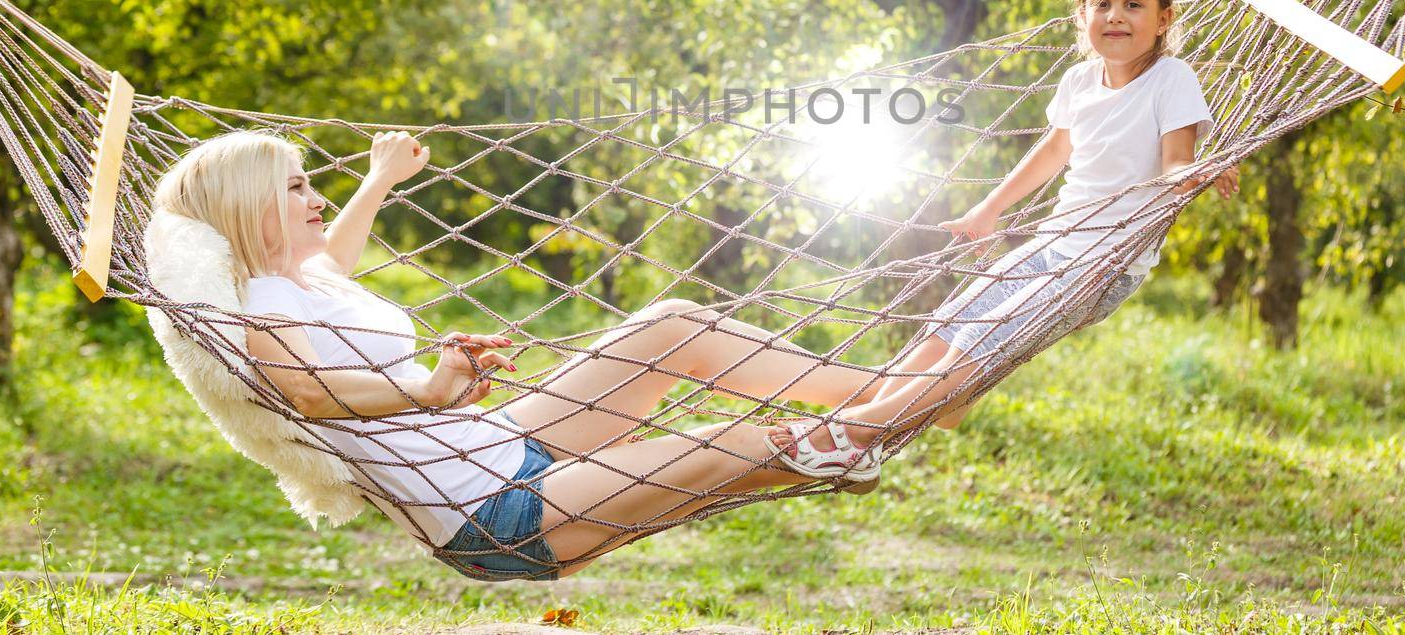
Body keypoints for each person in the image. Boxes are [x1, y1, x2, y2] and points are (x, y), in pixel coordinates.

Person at [149, 130, 886, 582]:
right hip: (492, 513)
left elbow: (333, 255)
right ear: (252, 207)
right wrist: (431, 392)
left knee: (674, 323)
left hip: (499, 447)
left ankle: (887, 388)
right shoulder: (267, 303)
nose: (316, 196)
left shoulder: (299, 278)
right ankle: (879, 422)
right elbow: (306, 393)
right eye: (298, 185)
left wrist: (378, 179)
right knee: (739, 443)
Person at [767, 0, 1242, 476]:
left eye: (1134, 4)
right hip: (1053, 246)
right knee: (948, 323)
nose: (1115, 15)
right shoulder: (1079, 81)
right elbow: (1056, 150)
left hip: (1103, 265)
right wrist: (988, 210)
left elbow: (1177, 162)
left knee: (978, 338)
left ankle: (852, 436)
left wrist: (1199, 171)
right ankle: (920, 410)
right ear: (1081, 15)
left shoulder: (1171, 80)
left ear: (1163, 19)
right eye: (1102, 3)